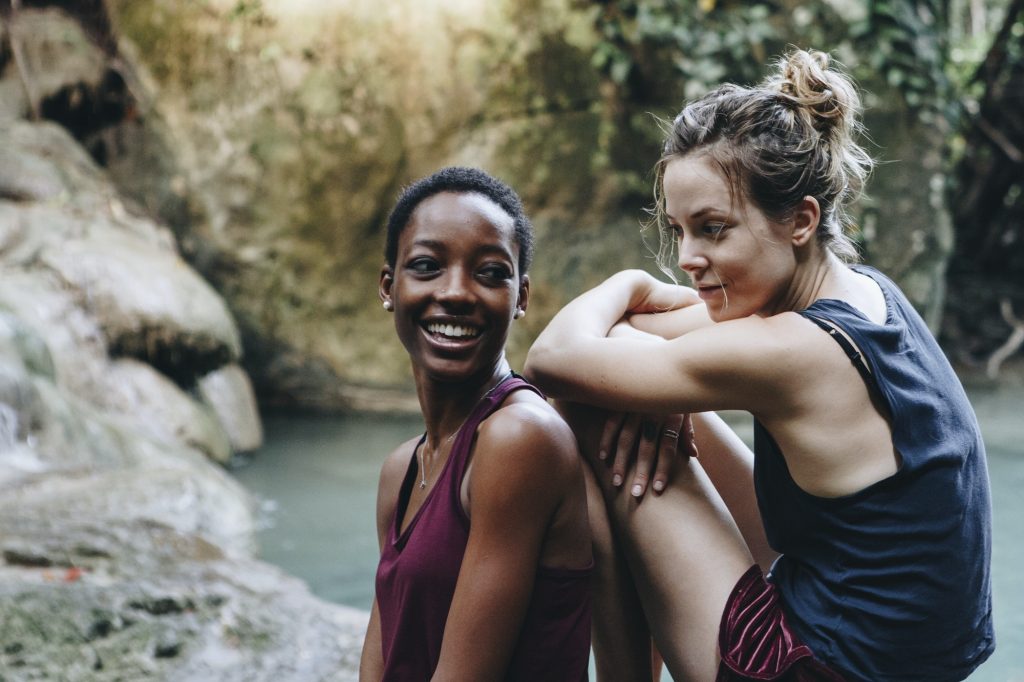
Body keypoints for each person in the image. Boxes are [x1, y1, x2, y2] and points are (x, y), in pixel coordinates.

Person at [524, 49, 995, 682]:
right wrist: (655, 387)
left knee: (589, 402)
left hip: (820, 669)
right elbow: (632, 334)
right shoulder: (863, 292)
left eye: (713, 229)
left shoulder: (792, 350)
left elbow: (552, 360)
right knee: (624, 383)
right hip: (883, 646)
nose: (687, 257)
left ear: (801, 220)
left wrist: (630, 279)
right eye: (678, 230)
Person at [358, 167, 593, 681]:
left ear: (521, 298)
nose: (457, 292)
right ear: (388, 286)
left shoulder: (521, 439)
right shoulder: (400, 471)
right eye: (426, 266)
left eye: (490, 273)